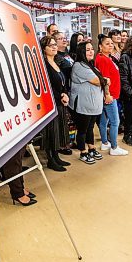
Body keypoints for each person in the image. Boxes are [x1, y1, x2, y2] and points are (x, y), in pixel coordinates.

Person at [69, 41, 107, 164]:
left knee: (90, 128)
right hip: (83, 105)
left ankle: (91, 148)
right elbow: (97, 80)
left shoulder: (91, 65)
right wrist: (104, 80)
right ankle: (83, 152)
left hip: (93, 105)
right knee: (83, 130)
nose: (91, 52)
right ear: (81, 52)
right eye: (88, 50)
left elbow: (100, 80)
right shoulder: (79, 66)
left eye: (92, 49)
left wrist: (103, 80)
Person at [39, 36, 71, 171]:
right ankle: (50, 159)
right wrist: (60, 97)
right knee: (51, 132)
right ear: (44, 49)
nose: (54, 47)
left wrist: (65, 94)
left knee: (59, 131)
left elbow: (62, 81)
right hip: (51, 103)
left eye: (54, 44)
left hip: (60, 102)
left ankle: (56, 156)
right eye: (50, 45)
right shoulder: (44, 64)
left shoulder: (56, 62)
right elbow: (47, 87)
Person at [94, 34, 129, 156]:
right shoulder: (102, 59)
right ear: (100, 46)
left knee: (104, 120)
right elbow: (105, 79)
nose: (110, 45)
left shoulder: (107, 58)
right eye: (107, 44)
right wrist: (107, 94)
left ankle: (104, 142)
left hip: (111, 95)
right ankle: (114, 147)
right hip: (109, 96)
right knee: (115, 122)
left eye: (111, 43)